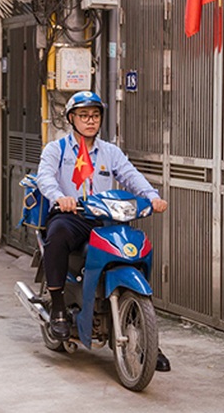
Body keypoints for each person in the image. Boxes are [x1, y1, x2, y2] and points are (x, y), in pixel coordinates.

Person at [35, 90, 171, 371]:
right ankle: (59, 308)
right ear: (72, 119)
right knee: (57, 235)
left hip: (106, 218)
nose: (90, 121)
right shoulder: (56, 150)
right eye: (84, 116)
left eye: (95, 115)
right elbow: (45, 178)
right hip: (73, 216)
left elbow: (131, 176)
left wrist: (152, 196)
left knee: (136, 247)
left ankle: (145, 331)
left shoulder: (110, 152)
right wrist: (60, 197)